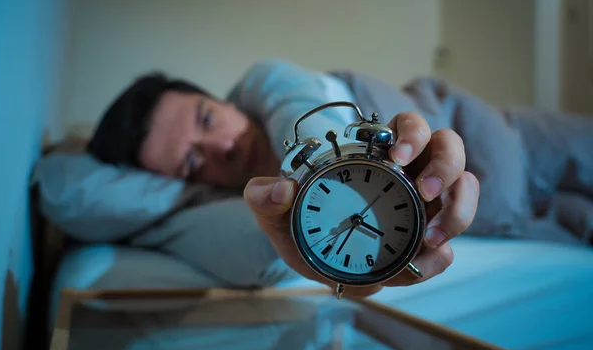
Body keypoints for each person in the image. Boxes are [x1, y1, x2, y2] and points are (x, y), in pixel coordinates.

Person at [87, 59, 592, 296]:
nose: (221, 145)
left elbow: (310, 116)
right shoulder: (237, 204)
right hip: (514, 221)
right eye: (193, 163)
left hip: (516, 144)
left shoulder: (268, 87)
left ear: (221, 98)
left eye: (205, 119)